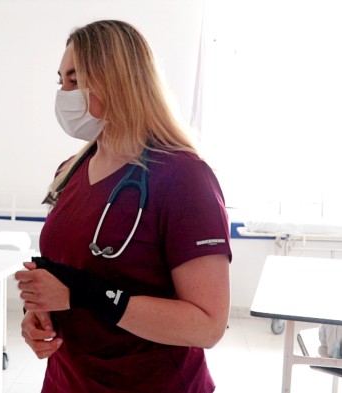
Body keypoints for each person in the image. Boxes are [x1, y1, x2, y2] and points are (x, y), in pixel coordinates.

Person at [15, 20, 231, 393]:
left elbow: (207, 325)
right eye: (60, 82)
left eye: (75, 80)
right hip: (68, 381)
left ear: (117, 81)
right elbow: (70, 275)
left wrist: (83, 294)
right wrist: (38, 312)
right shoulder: (69, 172)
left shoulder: (184, 177)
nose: (64, 93)